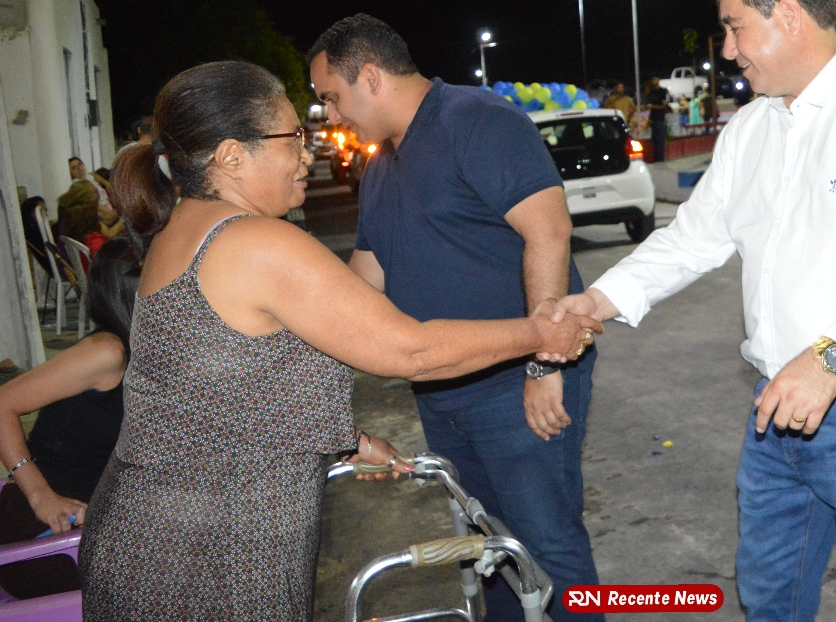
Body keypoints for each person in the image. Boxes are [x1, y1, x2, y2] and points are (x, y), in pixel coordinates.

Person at [78, 61, 598, 622]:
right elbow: (411, 351)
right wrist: (541, 332)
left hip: (154, 537)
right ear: (231, 156)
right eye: (292, 138)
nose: (307, 154)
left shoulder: (180, 229)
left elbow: (221, 397)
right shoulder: (254, 243)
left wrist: (346, 441)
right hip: (207, 556)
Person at [554, 0, 836, 620]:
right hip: (776, 405)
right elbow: (693, 237)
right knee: (770, 594)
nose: (726, 50)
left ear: (789, 17)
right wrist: (597, 300)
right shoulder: (751, 128)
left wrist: (830, 359)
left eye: (734, 27)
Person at [307, 15, 603, 622]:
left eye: (332, 97)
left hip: (515, 385)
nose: (332, 114)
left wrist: (545, 363)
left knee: (547, 547)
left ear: (370, 77)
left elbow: (548, 231)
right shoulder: (381, 167)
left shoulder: (476, 120)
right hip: (442, 391)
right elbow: (364, 280)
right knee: (486, 546)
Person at [0, 238, 139, 599]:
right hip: (45, 529)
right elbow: (2, 405)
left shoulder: (147, 352)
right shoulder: (107, 352)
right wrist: (41, 496)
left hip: (91, 517)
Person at [642, 77, 670, 161]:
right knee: (654, 139)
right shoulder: (651, 92)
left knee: (660, 139)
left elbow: (663, 106)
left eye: (655, 79)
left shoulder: (662, 91)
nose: (653, 81)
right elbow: (648, 102)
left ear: (658, 80)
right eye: (652, 80)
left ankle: (660, 158)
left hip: (660, 118)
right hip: (653, 118)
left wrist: (653, 106)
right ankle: (656, 157)